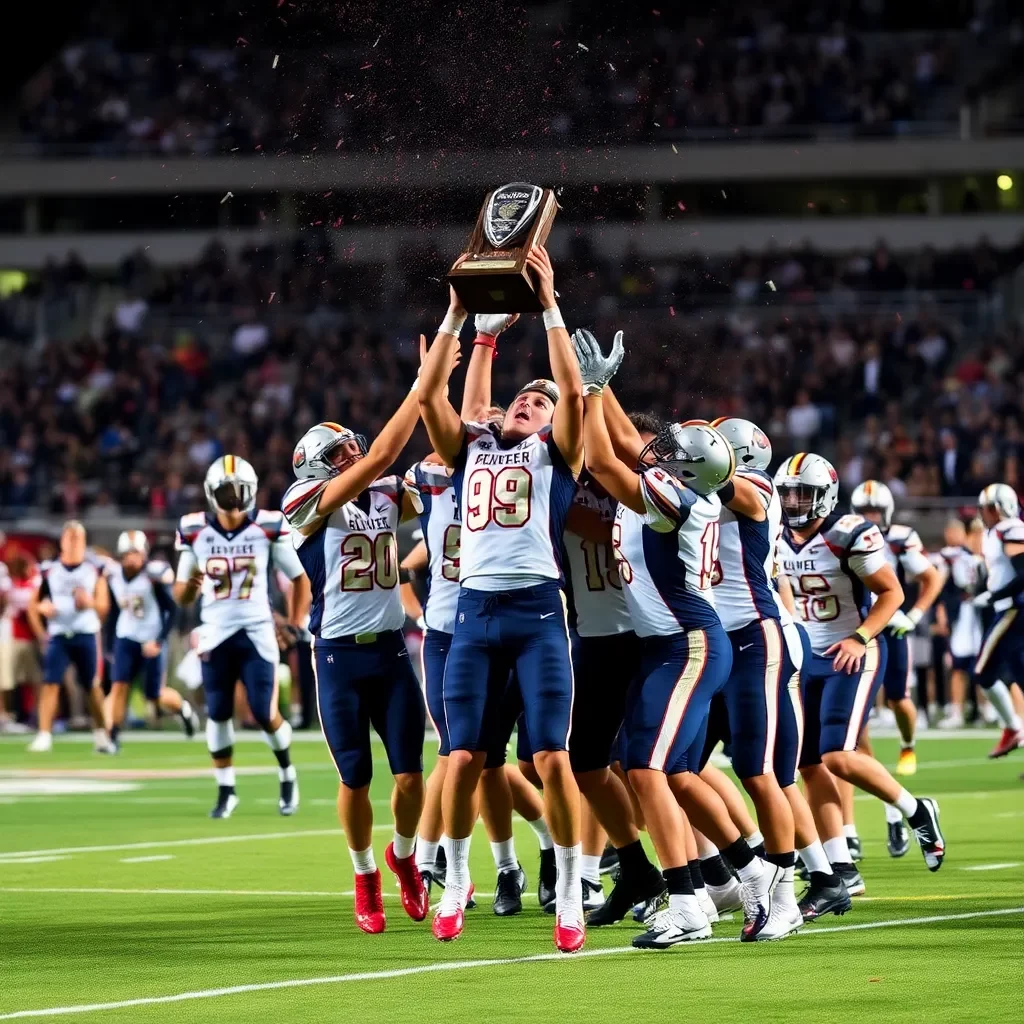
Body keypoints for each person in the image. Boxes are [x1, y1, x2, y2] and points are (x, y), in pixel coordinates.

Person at [574, 330, 781, 947]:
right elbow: (624, 446)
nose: (654, 450)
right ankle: (754, 871)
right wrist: (604, 389)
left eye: (666, 450)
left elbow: (607, 460)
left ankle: (689, 904)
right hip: (671, 645)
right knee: (681, 775)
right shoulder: (685, 486)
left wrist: (588, 392)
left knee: (645, 768)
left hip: (688, 644)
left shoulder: (678, 497)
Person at [416, 246, 587, 952]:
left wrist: (549, 304)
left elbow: (576, 399)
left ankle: (572, 891)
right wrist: (461, 316)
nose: (530, 400)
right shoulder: (473, 447)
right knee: (462, 759)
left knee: (549, 759)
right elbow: (434, 400)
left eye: (539, 401)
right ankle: (458, 880)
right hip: (473, 613)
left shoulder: (556, 454)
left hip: (539, 613)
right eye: (525, 394)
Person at [281, 335, 448, 935]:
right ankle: (363, 872)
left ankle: (402, 854)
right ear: (317, 465)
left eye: (353, 446)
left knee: (410, 776)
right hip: (335, 657)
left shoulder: (382, 490)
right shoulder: (303, 501)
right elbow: (381, 458)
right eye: (341, 450)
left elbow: (436, 472)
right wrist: (420, 385)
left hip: (387, 649)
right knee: (356, 777)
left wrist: (437, 397)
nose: (353, 453)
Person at [774, 453, 947, 882]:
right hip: (807, 654)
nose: (794, 501)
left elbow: (891, 594)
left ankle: (916, 809)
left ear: (826, 496)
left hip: (855, 649)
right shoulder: (775, 533)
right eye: (789, 492)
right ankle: (842, 864)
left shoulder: (848, 533)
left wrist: (860, 637)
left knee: (838, 755)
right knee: (808, 764)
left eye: (803, 493)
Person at [174, 455, 310, 819]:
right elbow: (180, 595)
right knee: (217, 713)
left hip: (256, 630)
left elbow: (300, 577)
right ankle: (226, 789)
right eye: (226, 491)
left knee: (265, 712)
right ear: (211, 493)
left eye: (240, 491)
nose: (233, 498)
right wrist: (190, 586)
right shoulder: (194, 529)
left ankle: (286, 774)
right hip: (215, 632)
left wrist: (296, 622)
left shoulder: (267, 525)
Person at [850, 480, 943, 781]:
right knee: (855, 699)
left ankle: (907, 745)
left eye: (875, 511)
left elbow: (932, 577)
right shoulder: (844, 535)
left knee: (898, 697)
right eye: (864, 511)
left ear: (887, 512)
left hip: (891, 625)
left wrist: (914, 615)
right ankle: (862, 758)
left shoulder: (900, 538)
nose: (870, 517)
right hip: (858, 624)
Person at [105, 530, 196, 748]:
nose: (132, 558)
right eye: (127, 553)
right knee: (119, 686)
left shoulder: (153, 576)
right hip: (126, 636)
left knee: (154, 695)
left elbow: (172, 610)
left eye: (136, 553)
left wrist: (158, 640)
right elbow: (113, 611)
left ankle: (183, 710)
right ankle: (113, 736)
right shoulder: (113, 575)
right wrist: (109, 643)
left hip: (151, 638)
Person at [26, 521, 111, 753]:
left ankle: (102, 734)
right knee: (50, 683)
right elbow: (33, 605)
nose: (74, 543)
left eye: (78, 539)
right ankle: (44, 734)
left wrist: (89, 603)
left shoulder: (95, 568)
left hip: (86, 632)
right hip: (58, 633)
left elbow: (104, 606)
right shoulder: (48, 569)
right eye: (70, 538)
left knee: (92, 685)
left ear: (84, 542)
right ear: (62, 541)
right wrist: (43, 623)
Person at [970, 483, 1024, 758]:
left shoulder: (1010, 529)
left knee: (983, 671)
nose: (986, 513)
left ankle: (1014, 728)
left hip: (1014, 610)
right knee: (1016, 676)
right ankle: (1014, 728)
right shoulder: (993, 533)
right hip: (1007, 608)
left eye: (991, 508)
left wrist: (994, 596)